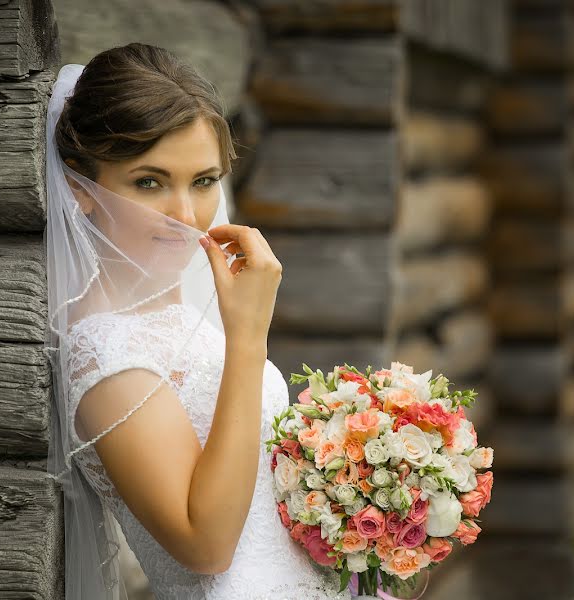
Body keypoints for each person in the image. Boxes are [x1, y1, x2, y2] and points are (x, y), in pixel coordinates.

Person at [44, 44, 353, 600]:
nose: (186, 218)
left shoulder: (172, 314)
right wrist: (249, 336)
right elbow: (207, 546)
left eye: (205, 181)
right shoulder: (107, 357)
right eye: (149, 182)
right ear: (79, 187)